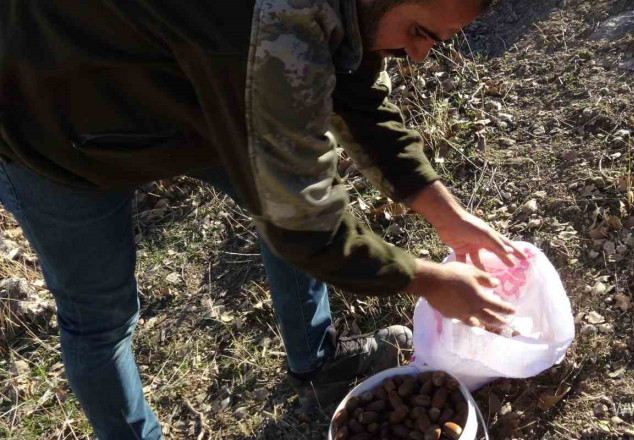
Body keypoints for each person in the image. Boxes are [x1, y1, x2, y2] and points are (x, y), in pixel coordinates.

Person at [0, 0, 522, 438]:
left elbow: (356, 92)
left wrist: (447, 214)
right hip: (45, 122)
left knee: (274, 190)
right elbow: (305, 224)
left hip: (185, 84)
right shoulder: (269, 31)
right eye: (418, 32)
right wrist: (426, 279)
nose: (419, 52)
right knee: (99, 319)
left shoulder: (342, 14)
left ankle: (316, 356)